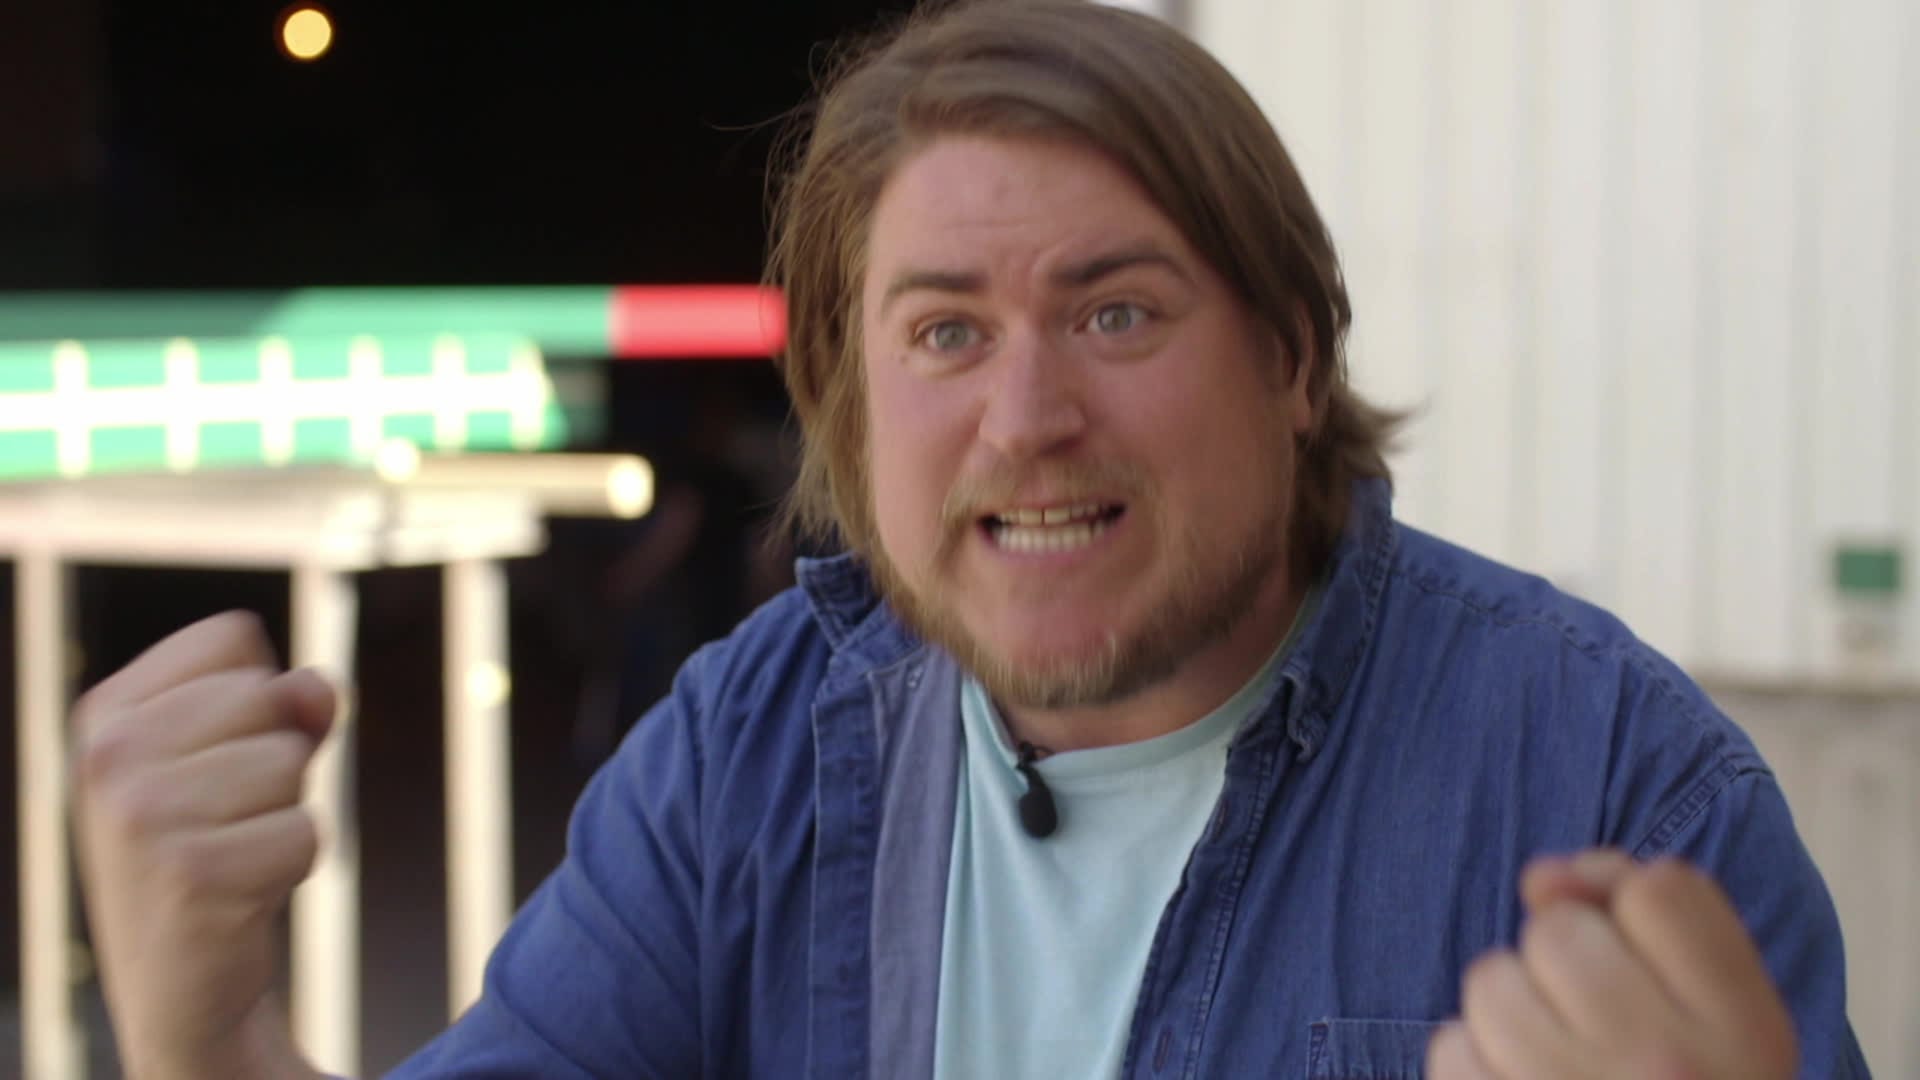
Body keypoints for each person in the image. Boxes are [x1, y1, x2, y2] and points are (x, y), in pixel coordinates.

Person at [68, 1, 1868, 1077]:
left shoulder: (1614, 791)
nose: (1024, 418)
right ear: (853, 402)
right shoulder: (754, 751)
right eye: (944, 331)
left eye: (1115, 312)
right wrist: (202, 1037)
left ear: (1293, 359)